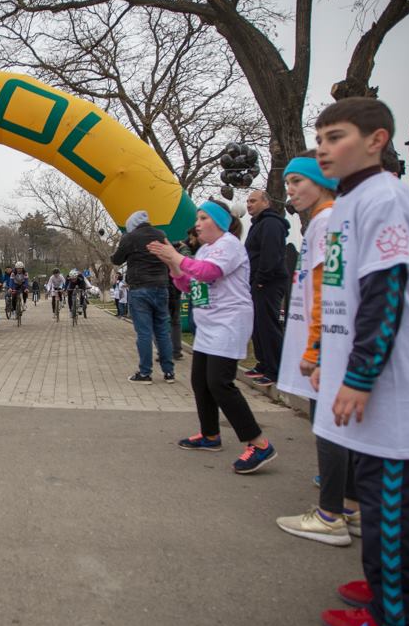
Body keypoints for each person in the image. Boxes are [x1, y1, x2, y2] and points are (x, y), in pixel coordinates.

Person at [310, 97, 409, 626]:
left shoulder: (385, 198)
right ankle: (404, 592)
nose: (323, 148)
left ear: (377, 140)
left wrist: (360, 375)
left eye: (336, 136)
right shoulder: (353, 201)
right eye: (319, 138)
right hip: (370, 381)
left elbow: (386, 290)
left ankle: (401, 625)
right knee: (379, 503)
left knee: (391, 509)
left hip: (394, 387)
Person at [271, 156, 360, 546]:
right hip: (328, 342)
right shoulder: (325, 221)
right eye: (287, 183)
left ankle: (330, 515)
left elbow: (326, 289)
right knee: (333, 426)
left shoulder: (327, 222)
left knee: (327, 426)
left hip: (328, 344)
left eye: (297, 181)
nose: (290, 190)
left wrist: (316, 350)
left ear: (322, 181)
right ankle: (352, 507)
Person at [147, 200, 274, 472]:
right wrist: (173, 265)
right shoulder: (204, 250)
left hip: (229, 323)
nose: (197, 224)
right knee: (200, 381)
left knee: (219, 383)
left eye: (203, 218)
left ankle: (259, 443)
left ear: (220, 222)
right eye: (197, 218)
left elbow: (209, 272)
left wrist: (178, 258)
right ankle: (210, 434)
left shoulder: (229, 245)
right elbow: (190, 284)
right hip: (208, 325)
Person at [112, 210, 175, 384]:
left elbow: (117, 260)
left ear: (132, 225)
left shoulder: (130, 237)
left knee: (144, 332)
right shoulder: (161, 235)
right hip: (161, 288)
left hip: (140, 290)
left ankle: (145, 373)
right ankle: (169, 372)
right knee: (162, 331)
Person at [244, 189, 290, 387]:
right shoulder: (258, 224)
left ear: (266, 202)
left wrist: (261, 279)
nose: (249, 204)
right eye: (248, 201)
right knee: (257, 324)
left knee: (268, 325)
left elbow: (270, 254)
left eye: (253, 201)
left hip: (269, 282)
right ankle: (263, 363)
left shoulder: (271, 223)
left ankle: (275, 370)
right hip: (257, 281)